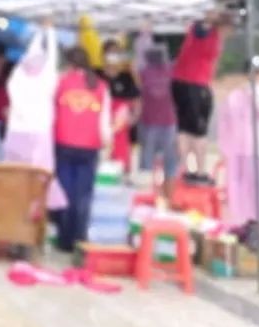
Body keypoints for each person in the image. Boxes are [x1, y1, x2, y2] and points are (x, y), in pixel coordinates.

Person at [216, 57, 259, 234]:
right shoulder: (234, 97)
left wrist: (256, 95)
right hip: (240, 153)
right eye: (254, 73)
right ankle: (245, 227)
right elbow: (225, 125)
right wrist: (225, 150)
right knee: (243, 194)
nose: (258, 76)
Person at [2, 21, 66, 211]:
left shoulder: (16, 79)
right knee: (40, 180)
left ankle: (15, 216)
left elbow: (34, 54)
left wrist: (40, 34)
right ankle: (34, 218)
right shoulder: (46, 80)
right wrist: (49, 32)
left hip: (16, 134)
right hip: (39, 134)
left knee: (15, 178)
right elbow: (52, 58)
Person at [53, 47, 112, 254]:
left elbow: (51, 112)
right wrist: (106, 142)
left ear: (69, 64)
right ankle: (80, 239)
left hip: (63, 143)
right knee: (83, 195)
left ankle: (64, 240)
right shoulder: (101, 86)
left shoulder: (60, 82)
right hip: (90, 146)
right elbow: (104, 122)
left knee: (64, 192)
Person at [172, 9, 233, 182]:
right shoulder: (204, 31)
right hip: (193, 84)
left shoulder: (203, 34)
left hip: (184, 82)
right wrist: (211, 16)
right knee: (198, 132)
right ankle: (198, 171)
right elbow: (202, 26)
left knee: (184, 129)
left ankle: (184, 169)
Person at [133, 28, 179, 200]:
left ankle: (163, 199)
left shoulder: (148, 71)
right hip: (158, 123)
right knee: (161, 163)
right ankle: (154, 199)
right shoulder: (165, 70)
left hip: (161, 123)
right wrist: (146, 33)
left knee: (160, 163)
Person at [98, 39, 141, 180]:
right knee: (102, 160)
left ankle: (123, 176)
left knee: (121, 161)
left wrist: (134, 116)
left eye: (116, 53)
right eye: (109, 53)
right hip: (101, 125)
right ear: (103, 55)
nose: (113, 57)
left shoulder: (127, 76)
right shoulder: (96, 75)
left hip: (121, 126)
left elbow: (137, 98)